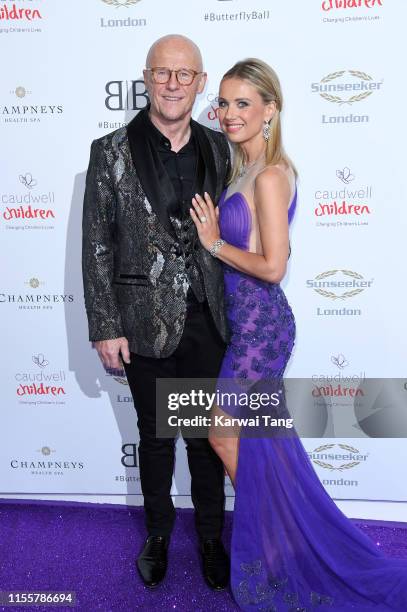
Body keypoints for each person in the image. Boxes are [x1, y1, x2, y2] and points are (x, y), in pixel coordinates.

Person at [190, 58, 407, 610]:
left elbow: (273, 266)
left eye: (244, 103)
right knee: (263, 446)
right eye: (225, 102)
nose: (230, 113)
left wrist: (214, 243)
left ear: (270, 111)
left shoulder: (267, 174)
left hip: (261, 326)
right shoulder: (245, 167)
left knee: (222, 434)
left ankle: (283, 547)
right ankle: (287, 545)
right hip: (247, 322)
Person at [82, 34, 231, 591]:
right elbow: (97, 243)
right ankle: (159, 535)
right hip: (141, 321)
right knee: (155, 438)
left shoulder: (220, 147)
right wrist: (105, 325)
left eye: (184, 74)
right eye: (163, 73)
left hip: (207, 319)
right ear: (146, 78)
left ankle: (212, 538)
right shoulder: (110, 150)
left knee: (204, 440)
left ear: (200, 80)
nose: (173, 83)